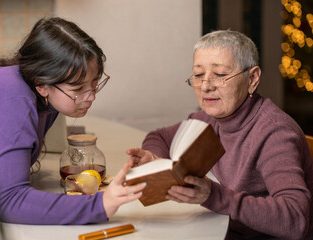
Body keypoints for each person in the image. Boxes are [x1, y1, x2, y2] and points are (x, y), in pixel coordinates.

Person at [0, 17, 145, 225]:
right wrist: (100, 204)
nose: (91, 96)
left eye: (95, 83)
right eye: (78, 89)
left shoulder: (43, 94)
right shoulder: (13, 100)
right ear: (42, 85)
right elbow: (9, 201)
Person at [127, 30, 313, 239]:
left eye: (221, 75)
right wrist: (158, 162)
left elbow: (295, 219)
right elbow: (158, 136)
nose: (206, 86)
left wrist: (213, 195)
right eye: (198, 75)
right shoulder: (208, 119)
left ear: (252, 78)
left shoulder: (275, 133)